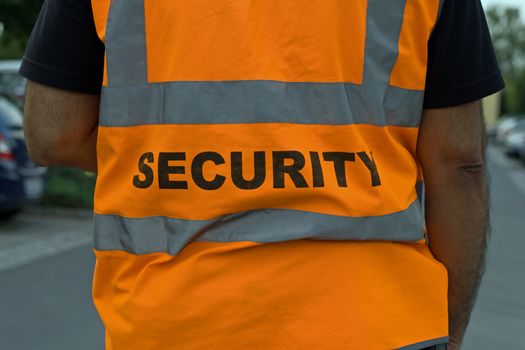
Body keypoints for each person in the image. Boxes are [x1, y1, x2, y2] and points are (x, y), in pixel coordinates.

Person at [21, 0, 504, 349]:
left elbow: (53, 132)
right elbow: (458, 161)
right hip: (378, 326)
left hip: (171, 326)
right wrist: (451, 332)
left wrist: (192, 154)